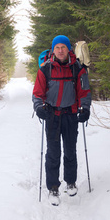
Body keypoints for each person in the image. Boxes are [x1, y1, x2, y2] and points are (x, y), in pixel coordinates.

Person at [32, 35, 92, 206]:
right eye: (57, 47)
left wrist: (85, 108)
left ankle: (70, 182)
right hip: (52, 115)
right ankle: (53, 187)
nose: (60, 50)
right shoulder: (45, 69)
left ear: (68, 49)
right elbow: (37, 93)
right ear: (53, 50)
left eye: (63, 47)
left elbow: (84, 92)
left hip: (71, 114)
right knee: (52, 153)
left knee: (70, 150)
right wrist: (38, 107)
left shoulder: (77, 69)